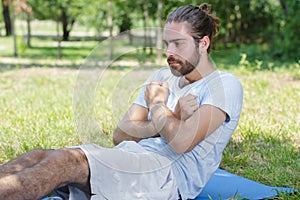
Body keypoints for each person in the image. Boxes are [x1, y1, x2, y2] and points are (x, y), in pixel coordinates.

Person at [0, 3, 243, 200]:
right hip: (130, 155)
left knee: (64, 162)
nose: (169, 52)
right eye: (167, 43)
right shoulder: (162, 77)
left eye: (178, 44)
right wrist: (171, 117)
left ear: (203, 44)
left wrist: (157, 106)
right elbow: (121, 134)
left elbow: (181, 142)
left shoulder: (223, 85)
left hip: (164, 176)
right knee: (39, 156)